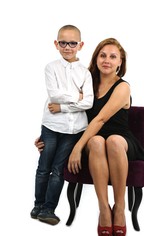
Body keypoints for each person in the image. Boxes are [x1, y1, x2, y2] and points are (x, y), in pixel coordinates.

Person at [35, 38, 144, 236]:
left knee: (111, 140)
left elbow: (101, 119)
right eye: (102, 55)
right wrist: (48, 135)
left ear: (120, 62)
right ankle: (104, 209)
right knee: (96, 141)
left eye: (113, 57)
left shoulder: (123, 87)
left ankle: (119, 208)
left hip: (121, 140)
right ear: (96, 58)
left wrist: (77, 148)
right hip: (91, 139)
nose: (107, 60)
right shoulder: (86, 83)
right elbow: (65, 108)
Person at [31, 25, 94, 225]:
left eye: (73, 43)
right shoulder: (51, 67)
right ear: (56, 44)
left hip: (73, 129)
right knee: (43, 167)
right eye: (63, 43)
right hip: (51, 125)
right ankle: (38, 205)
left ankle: (49, 209)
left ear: (80, 45)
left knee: (58, 169)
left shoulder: (85, 73)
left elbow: (89, 102)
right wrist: (78, 96)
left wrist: (64, 107)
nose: (68, 47)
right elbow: (54, 95)